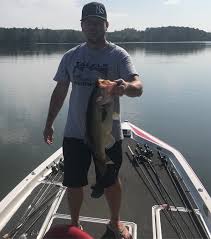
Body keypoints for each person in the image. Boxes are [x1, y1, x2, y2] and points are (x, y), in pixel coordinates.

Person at [43, 2, 143, 239]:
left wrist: (125, 86)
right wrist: (48, 123)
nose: (93, 27)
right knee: (74, 182)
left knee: (110, 180)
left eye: (98, 23)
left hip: (108, 134)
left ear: (106, 25)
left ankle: (115, 223)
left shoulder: (118, 55)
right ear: (82, 26)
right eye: (88, 23)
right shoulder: (71, 56)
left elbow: (138, 87)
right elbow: (60, 91)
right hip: (75, 133)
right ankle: (75, 224)